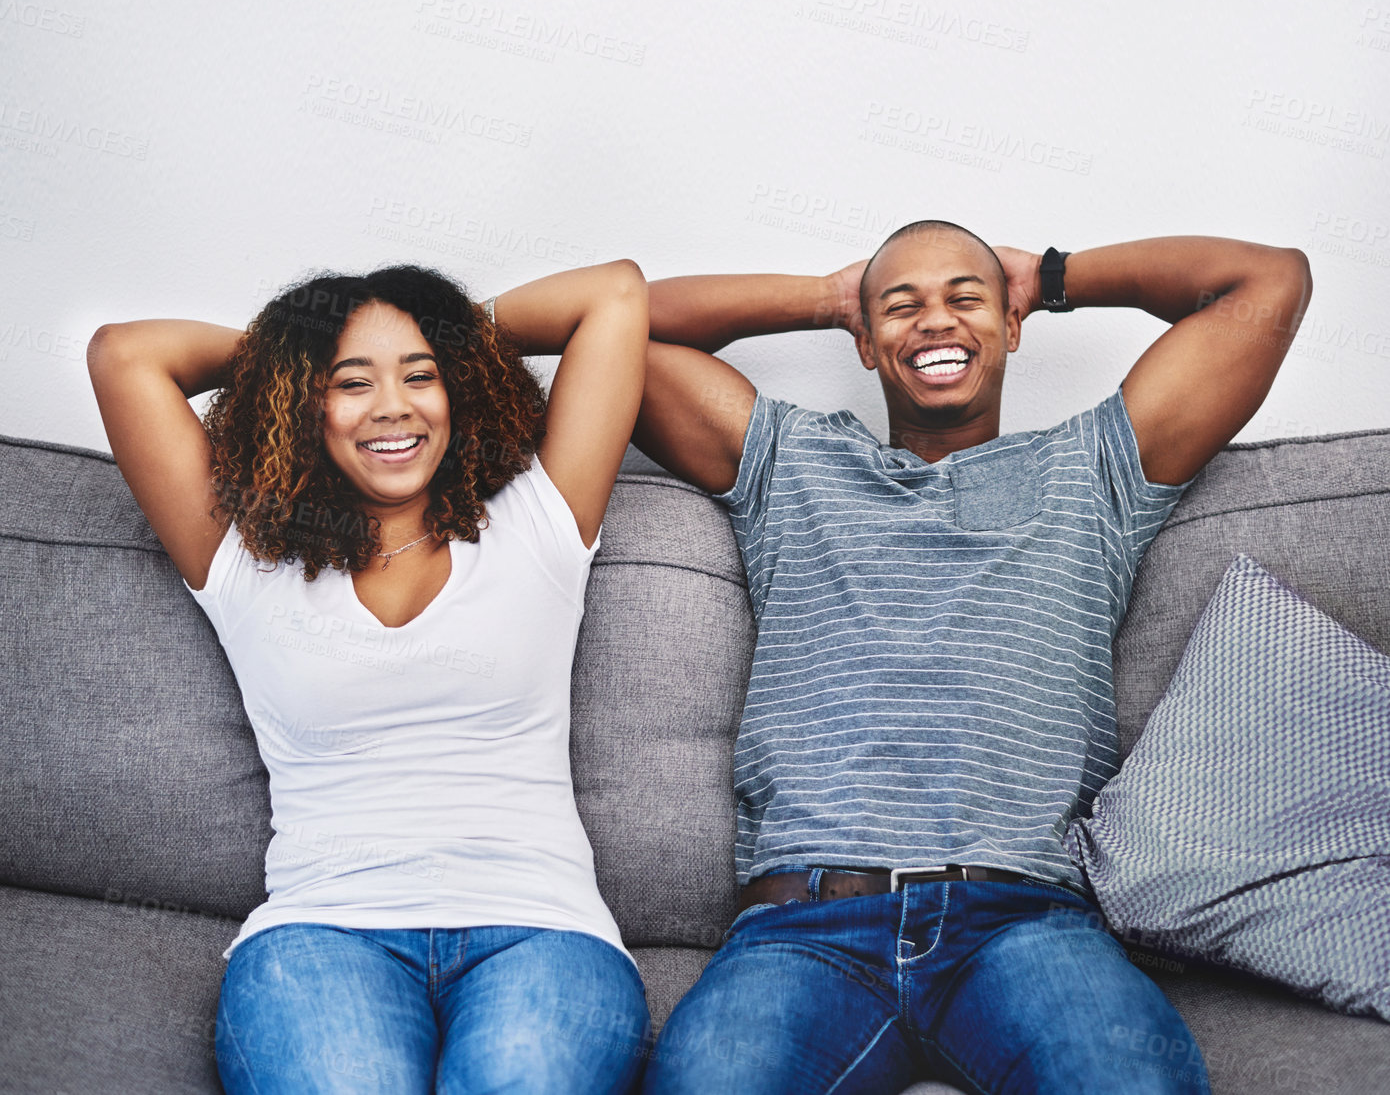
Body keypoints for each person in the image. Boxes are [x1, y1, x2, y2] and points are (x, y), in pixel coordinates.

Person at [630, 224, 1312, 1095]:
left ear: (1012, 324)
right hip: (807, 927)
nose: (935, 321)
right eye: (901, 306)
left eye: (966, 298)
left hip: (1021, 920)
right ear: (869, 344)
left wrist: (1052, 275)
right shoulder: (788, 462)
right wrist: (829, 297)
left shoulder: (1096, 467)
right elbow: (620, 327)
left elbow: (1271, 282)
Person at [86, 260, 652, 1095]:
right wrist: (295, 349)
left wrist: (427, 338)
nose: (393, 405)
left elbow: (617, 293)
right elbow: (122, 355)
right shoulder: (244, 558)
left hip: (541, 927)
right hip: (324, 933)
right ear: (303, 400)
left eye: (422, 376)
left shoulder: (539, 521)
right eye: (351, 383)